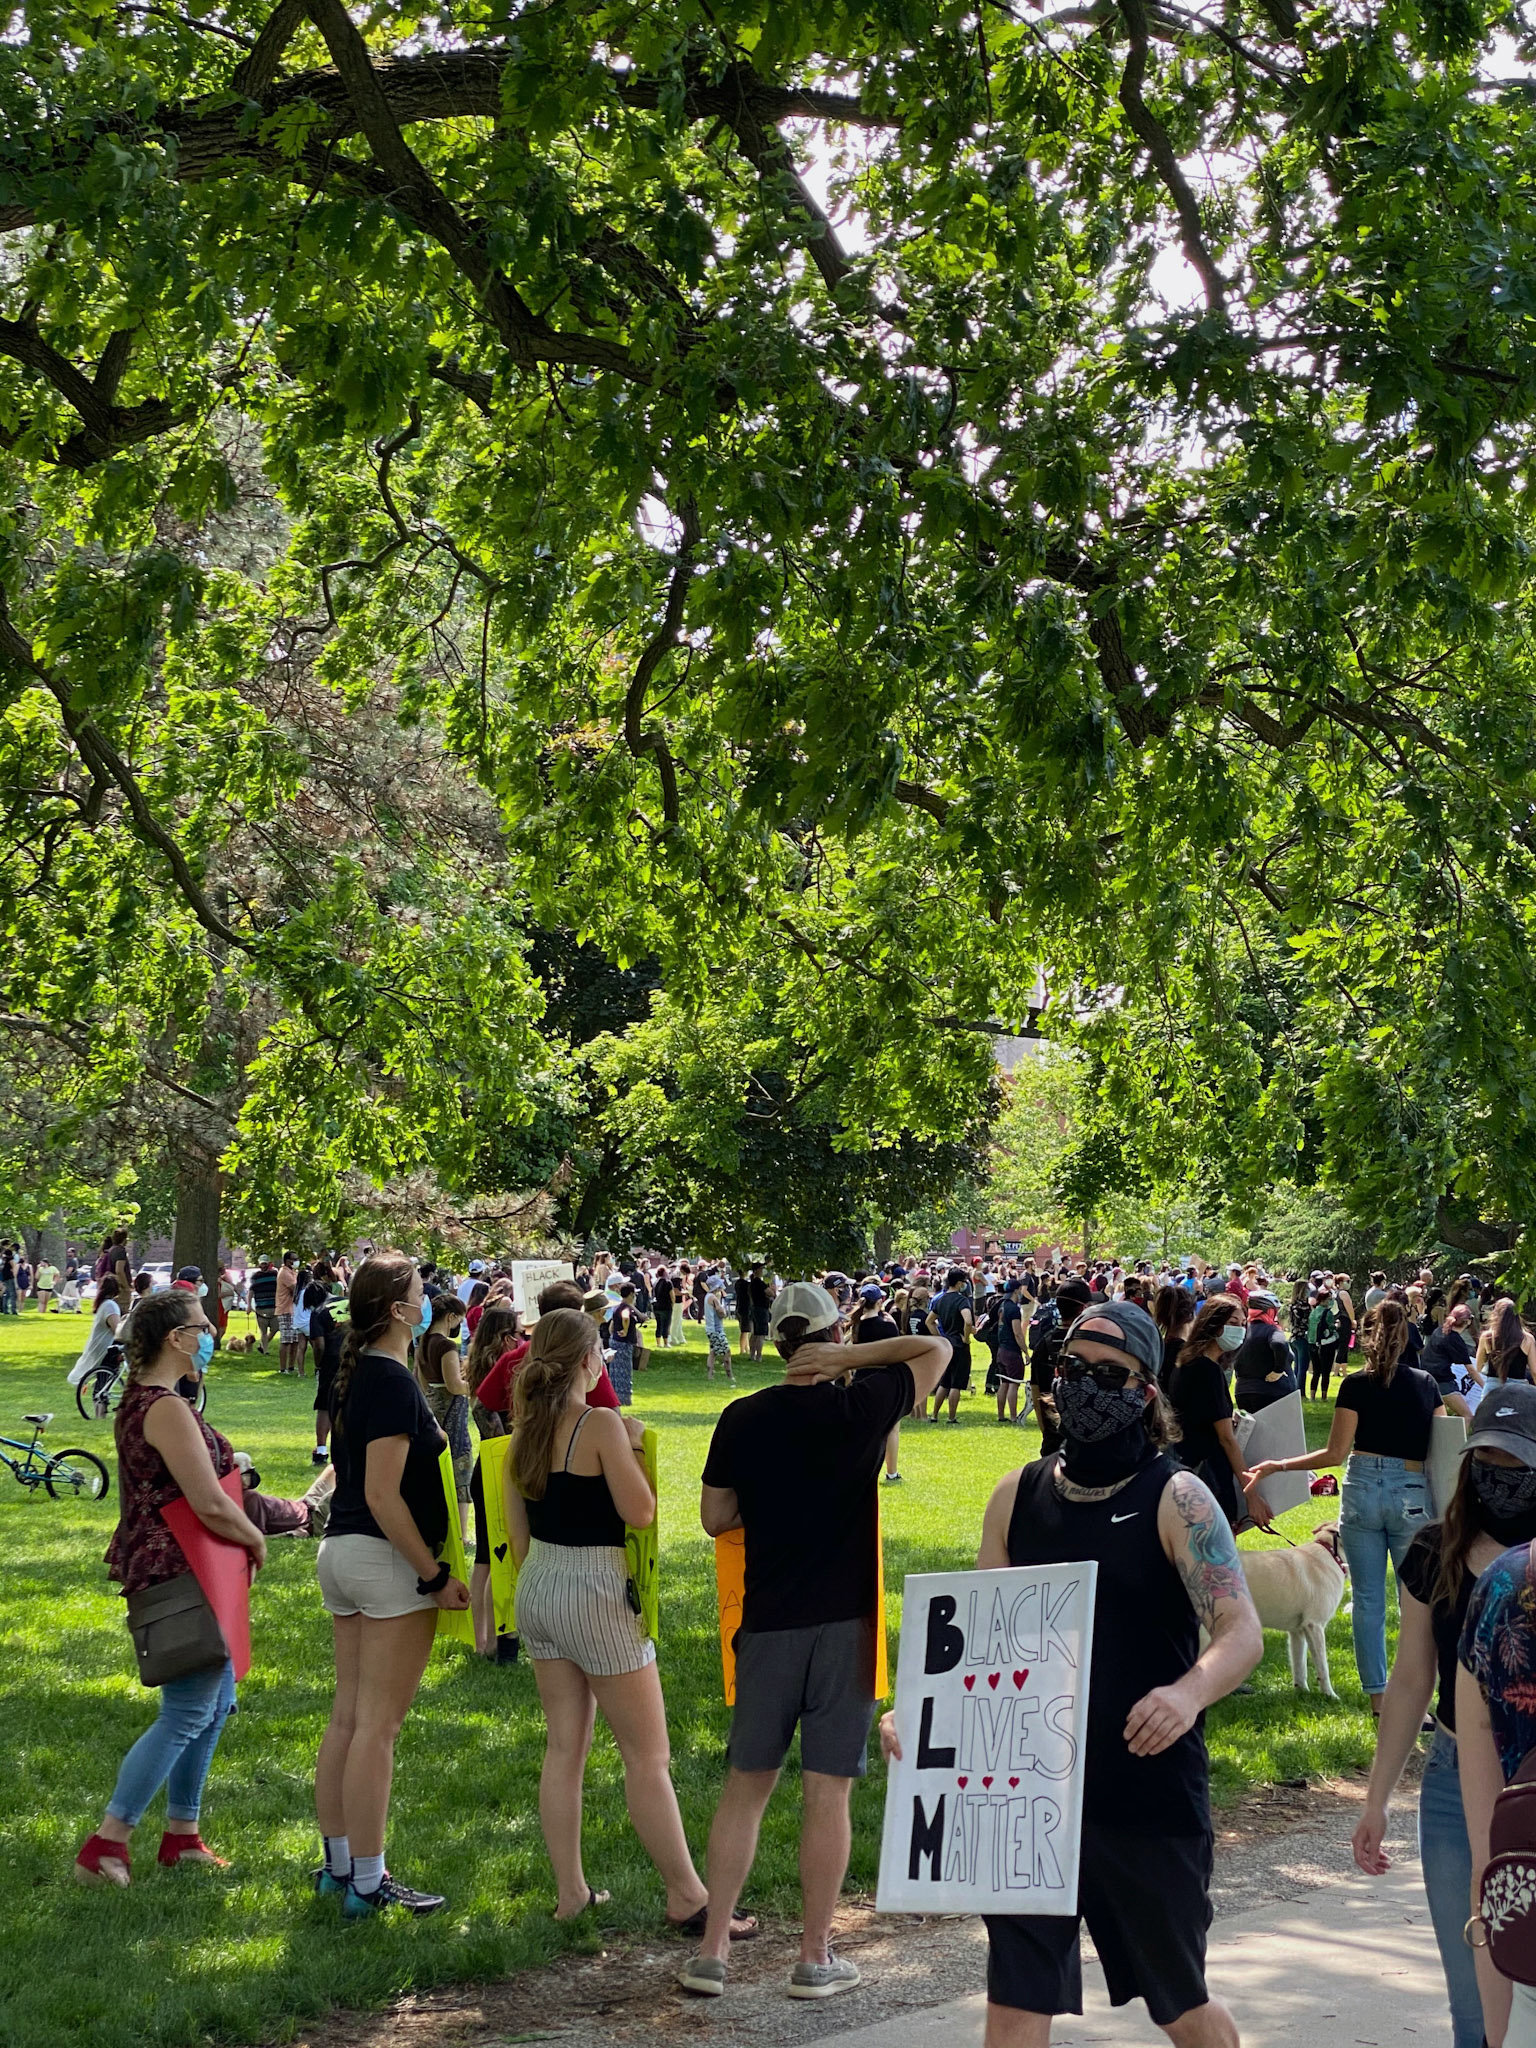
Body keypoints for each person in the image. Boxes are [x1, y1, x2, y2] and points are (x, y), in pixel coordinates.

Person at [882, 1298, 1261, 2048]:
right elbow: (982, 1647)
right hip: (1025, 1796)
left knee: (1179, 2002)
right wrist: (921, 1714)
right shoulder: (1015, 1494)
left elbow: (1240, 1629)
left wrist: (1187, 1694)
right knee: (1016, 2002)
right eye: (1072, 1369)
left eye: (1110, 1374)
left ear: (1146, 1390)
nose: (1086, 1385)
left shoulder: (1178, 1497)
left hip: (1143, 1792)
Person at [679, 1284, 949, 2000]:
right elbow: (938, 1349)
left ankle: (711, 1953)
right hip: (847, 1624)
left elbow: (714, 1517)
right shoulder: (864, 1406)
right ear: (832, 1336)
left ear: (774, 1343)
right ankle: (814, 1956)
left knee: (747, 1788)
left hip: (766, 1620)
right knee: (828, 1792)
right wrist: (851, 1356)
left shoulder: (741, 1417)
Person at [502, 1309, 723, 1927]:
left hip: (539, 1583)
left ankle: (570, 1894)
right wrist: (629, 1444)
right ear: (586, 1361)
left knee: (564, 1748)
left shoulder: (522, 1433)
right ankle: (687, 1895)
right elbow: (642, 1512)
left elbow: (516, 1539)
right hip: (596, 1587)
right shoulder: (598, 1424)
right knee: (647, 1756)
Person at [1353, 1385, 1536, 2048]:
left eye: (1520, 1468)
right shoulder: (1435, 1549)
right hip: (1456, 1781)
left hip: (1530, 1781)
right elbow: (1409, 1681)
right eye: (1490, 1463)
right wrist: (1377, 1800)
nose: (1503, 1481)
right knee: (1475, 1993)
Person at [73, 1287, 264, 1886]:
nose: (209, 1333)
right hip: (181, 1567)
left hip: (187, 1564)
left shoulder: (152, 1402)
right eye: (201, 1326)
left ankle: (182, 1837)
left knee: (210, 1706)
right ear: (175, 1339)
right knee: (187, 1710)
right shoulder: (164, 1407)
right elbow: (205, 1501)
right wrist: (254, 1537)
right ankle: (107, 1845)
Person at [312, 1252, 470, 1917]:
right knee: (377, 1727)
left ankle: (339, 1867)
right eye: (418, 1292)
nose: (427, 1299)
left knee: (349, 1718)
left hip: (342, 1556)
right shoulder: (391, 1382)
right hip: (382, 1562)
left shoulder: (364, 1375)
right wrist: (431, 1574)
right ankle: (370, 1882)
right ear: (398, 1310)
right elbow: (383, 1493)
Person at [1247, 1300, 1445, 1713]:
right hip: (1410, 1491)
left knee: (1369, 1600)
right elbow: (1442, 1449)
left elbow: (1335, 1453)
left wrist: (1279, 1464)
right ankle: (1415, 1699)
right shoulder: (1426, 1384)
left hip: (1360, 1490)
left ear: (1367, 1337)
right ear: (1407, 1336)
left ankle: (1377, 1697)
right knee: (1412, 1601)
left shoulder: (1355, 1385)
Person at [1167, 1295, 1272, 1531]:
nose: (1240, 1329)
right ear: (1213, 1324)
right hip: (1209, 1474)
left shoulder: (1187, 1363)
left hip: (1188, 1469)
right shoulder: (1207, 1370)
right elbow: (1226, 1438)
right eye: (1233, 1322)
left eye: (1243, 1323)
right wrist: (1251, 1494)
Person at [417, 1291, 472, 1539]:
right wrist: (475, 1384)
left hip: (432, 1410)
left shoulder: (423, 1342)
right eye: (459, 1320)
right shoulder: (446, 1345)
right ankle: (461, 1533)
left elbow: (421, 1381)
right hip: (453, 1414)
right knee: (461, 1469)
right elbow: (454, 1385)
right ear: (450, 1317)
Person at [1231, 1290, 1298, 1415]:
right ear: (1270, 1311)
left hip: (1243, 1391)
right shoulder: (1271, 1330)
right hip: (1272, 1392)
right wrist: (1278, 1370)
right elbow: (1279, 1343)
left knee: (1251, 1433)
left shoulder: (1243, 1330)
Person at [929, 1266, 975, 1425]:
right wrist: (966, 1338)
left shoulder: (940, 1299)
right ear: (959, 1283)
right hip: (959, 1345)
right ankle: (951, 1417)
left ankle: (934, 1415)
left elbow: (929, 1321)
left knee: (944, 1381)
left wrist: (940, 1338)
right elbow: (968, 1321)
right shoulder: (962, 1300)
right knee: (956, 1383)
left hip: (946, 1343)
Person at [67, 1275, 123, 1389]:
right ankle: (101, 1404)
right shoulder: (110, 1306)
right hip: (107, 1349)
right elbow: (117, 1330)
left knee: (102, 1383)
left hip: (101, 1347)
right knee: (103, 1385)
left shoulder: (103, 1304)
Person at [1476, 1297, 1536, 1385]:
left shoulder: (1487, 1337)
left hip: (1492, 1387)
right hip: (1517, 1388)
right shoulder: (1527, 1339)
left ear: (1495, 1315)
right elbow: (1534, 1371)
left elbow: (1478, 1367)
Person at [607, 1283, 640, 1406]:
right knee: (624, 1371)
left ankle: (615, 1397)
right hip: (623, 1344)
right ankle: (624, 1398)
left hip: (615, 1341)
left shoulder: (617, 1306)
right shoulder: (626, 1308)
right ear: (631, 1294)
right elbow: (625, 1318)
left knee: (615, 1371)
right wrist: (625, 1330)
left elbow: (612, 1325)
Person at [702, 1278, 736, 1386]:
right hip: (717, 1330)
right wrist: (723, 1310)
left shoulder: (707, 1296)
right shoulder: (713, 1298)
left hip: (709, 1329)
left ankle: (710, 1375)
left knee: (713, 1352)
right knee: (727, 1351)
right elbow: (721, 1313)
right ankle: (730, 1376)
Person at [275, 1252, 301, 1374]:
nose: (296, 1261)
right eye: (293, 1259)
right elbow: (295, 1289)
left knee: (295, 1339)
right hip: (285, 1309)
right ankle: (282, 1368)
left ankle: (291, 1366)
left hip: (293, 1310)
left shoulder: (292, 1272)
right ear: (287, 1260)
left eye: (297, 1259)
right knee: (286, 1340)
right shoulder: (285, 1273)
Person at [248, 1256, 279, 1353]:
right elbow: (251, 1291)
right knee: (263, 1331)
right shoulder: (255, 1276)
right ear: (259, 1264)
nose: (263, 1266)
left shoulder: (275, 1274)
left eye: (265, 1263)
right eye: (262, 1263)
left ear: (269, 1263)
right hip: (261, 1308)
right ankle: (265, 1351)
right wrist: (249, 1305)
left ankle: (262, 1346)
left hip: (274, 1307)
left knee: (275, 1328)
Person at [746, 1263, 772, 1363]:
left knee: (755, 1333)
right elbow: (770, 1293)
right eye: (761, 1268)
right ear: (757, 1270)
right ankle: (759, 1356)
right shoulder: (759, 1283)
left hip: (754, 1308)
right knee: (761, 1334)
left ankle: (752, 1355)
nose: (762, 1270)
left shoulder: (752, 1283)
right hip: (761, 1309)